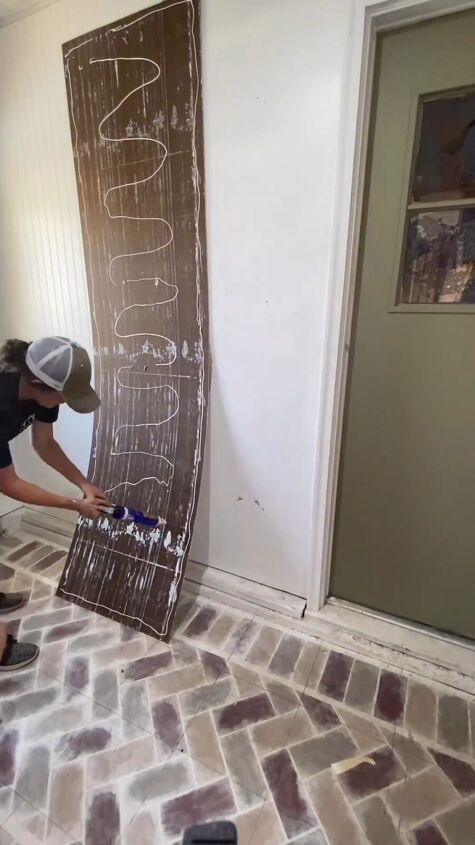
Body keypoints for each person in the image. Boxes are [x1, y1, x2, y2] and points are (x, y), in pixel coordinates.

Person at [0, 336, 111, 671]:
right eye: (62, 394)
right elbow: (10, 484)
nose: (64, 401)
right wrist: (75, 505)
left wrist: (83, 483)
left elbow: (45, 445)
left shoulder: (42, 396)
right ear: (38, 383)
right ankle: (2, 651)